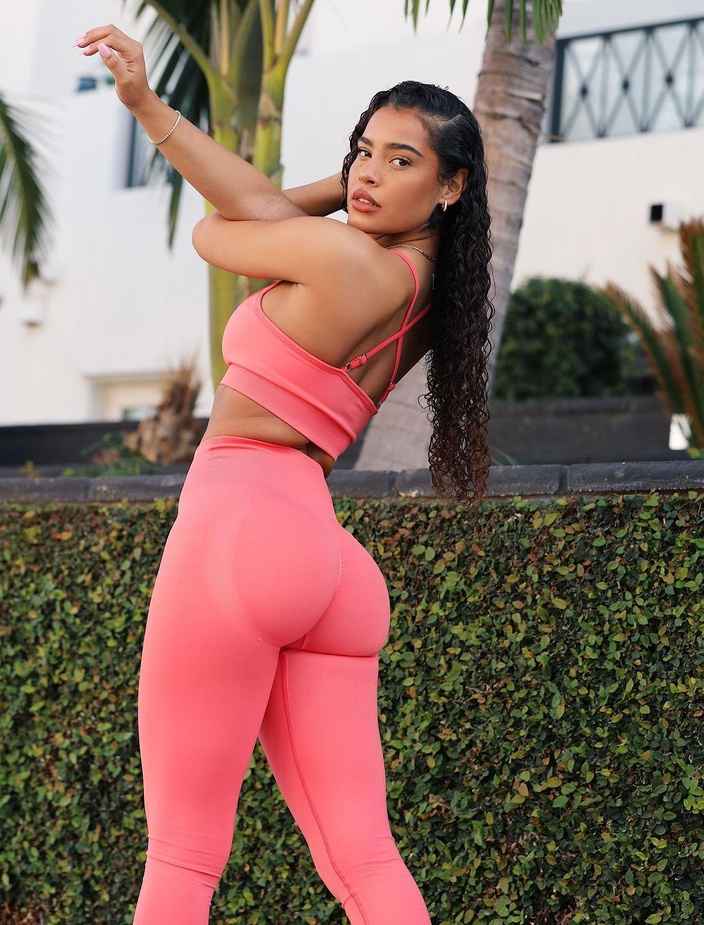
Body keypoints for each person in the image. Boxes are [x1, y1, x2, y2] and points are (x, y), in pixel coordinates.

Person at [76, 23, 493, 925]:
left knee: (183, 856)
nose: (369, 174)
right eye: (362, 153)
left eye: (401, 161)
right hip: (328, 561)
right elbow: (267, 215)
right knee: (365, 859)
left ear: (452, 185)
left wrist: (149, 108)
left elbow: (215, 230)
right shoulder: (430, 291)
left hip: (240, 525)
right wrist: (356, 189)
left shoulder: (345, 256)